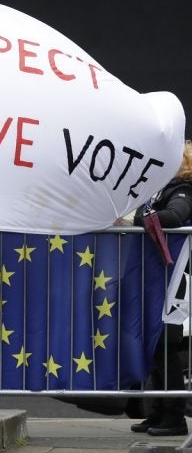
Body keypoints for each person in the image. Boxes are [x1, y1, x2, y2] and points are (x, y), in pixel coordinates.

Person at [130, 139, 192, 437]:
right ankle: (157, 412)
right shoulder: (158, 189)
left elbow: (175, 217)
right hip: (157, 278)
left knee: (165, 346)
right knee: (154, 346)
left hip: (173, 279)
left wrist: (141, 218)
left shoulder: (183, 189)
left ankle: (175, 418)